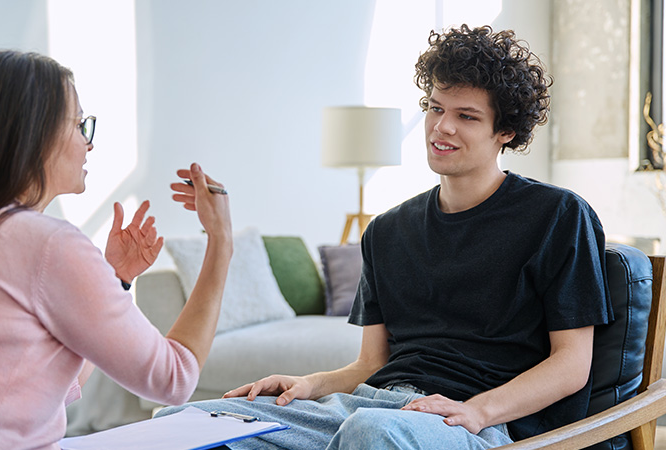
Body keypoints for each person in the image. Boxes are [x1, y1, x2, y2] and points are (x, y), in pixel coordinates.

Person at [155, 24, 612, 449]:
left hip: (475, 421)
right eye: (435, 108)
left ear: (505, 131)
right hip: (369, 406)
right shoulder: (388, 231)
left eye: (466, 116)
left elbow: (572, 364)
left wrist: (477, 410)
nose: (441, 127)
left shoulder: (556, 215)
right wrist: (309, 384)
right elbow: (371, 364)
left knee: (369, 432)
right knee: (181, 424)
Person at [0, 50, 233, 450]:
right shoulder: (48, 243)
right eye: (80, 124)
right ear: (35, 133)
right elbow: (174, 378)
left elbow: (44, 387)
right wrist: (221, 242)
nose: (89, 144)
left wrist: (115, 279)